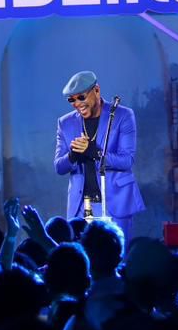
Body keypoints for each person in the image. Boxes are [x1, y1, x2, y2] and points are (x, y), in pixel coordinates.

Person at [53, 71, 144, 239]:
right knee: (81, 260)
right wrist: (72, 156)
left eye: (81, 97)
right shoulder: (65, 123)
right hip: (80, 206)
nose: (76, 104)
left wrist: (93, 152)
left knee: (115, 257)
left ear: (96, 90)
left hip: (115, 202)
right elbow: (59, 166)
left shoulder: (122, 115)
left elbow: (127, 160)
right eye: (71, 100)